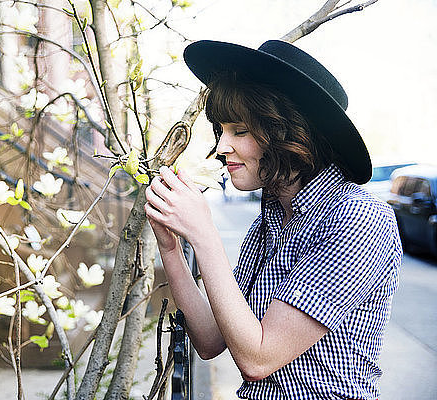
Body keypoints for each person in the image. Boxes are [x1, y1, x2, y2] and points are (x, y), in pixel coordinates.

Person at [144, 40, 402, 399]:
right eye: (221, 129)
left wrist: (205, 234)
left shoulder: (358, 218)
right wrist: (171, 247)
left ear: (288, 134)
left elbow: (258, 359)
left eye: (240, 130)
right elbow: (211, 341)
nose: (221, 147)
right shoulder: (268, 225)